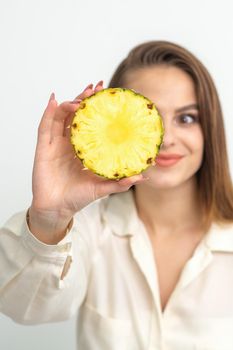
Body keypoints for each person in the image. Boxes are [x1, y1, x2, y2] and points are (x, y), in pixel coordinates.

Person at [0, 40, 233, 350]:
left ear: (210, 128)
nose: (165, 139)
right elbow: (25, 307)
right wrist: (49, 217)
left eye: (187, 118)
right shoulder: (88, 228)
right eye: (148, 116)